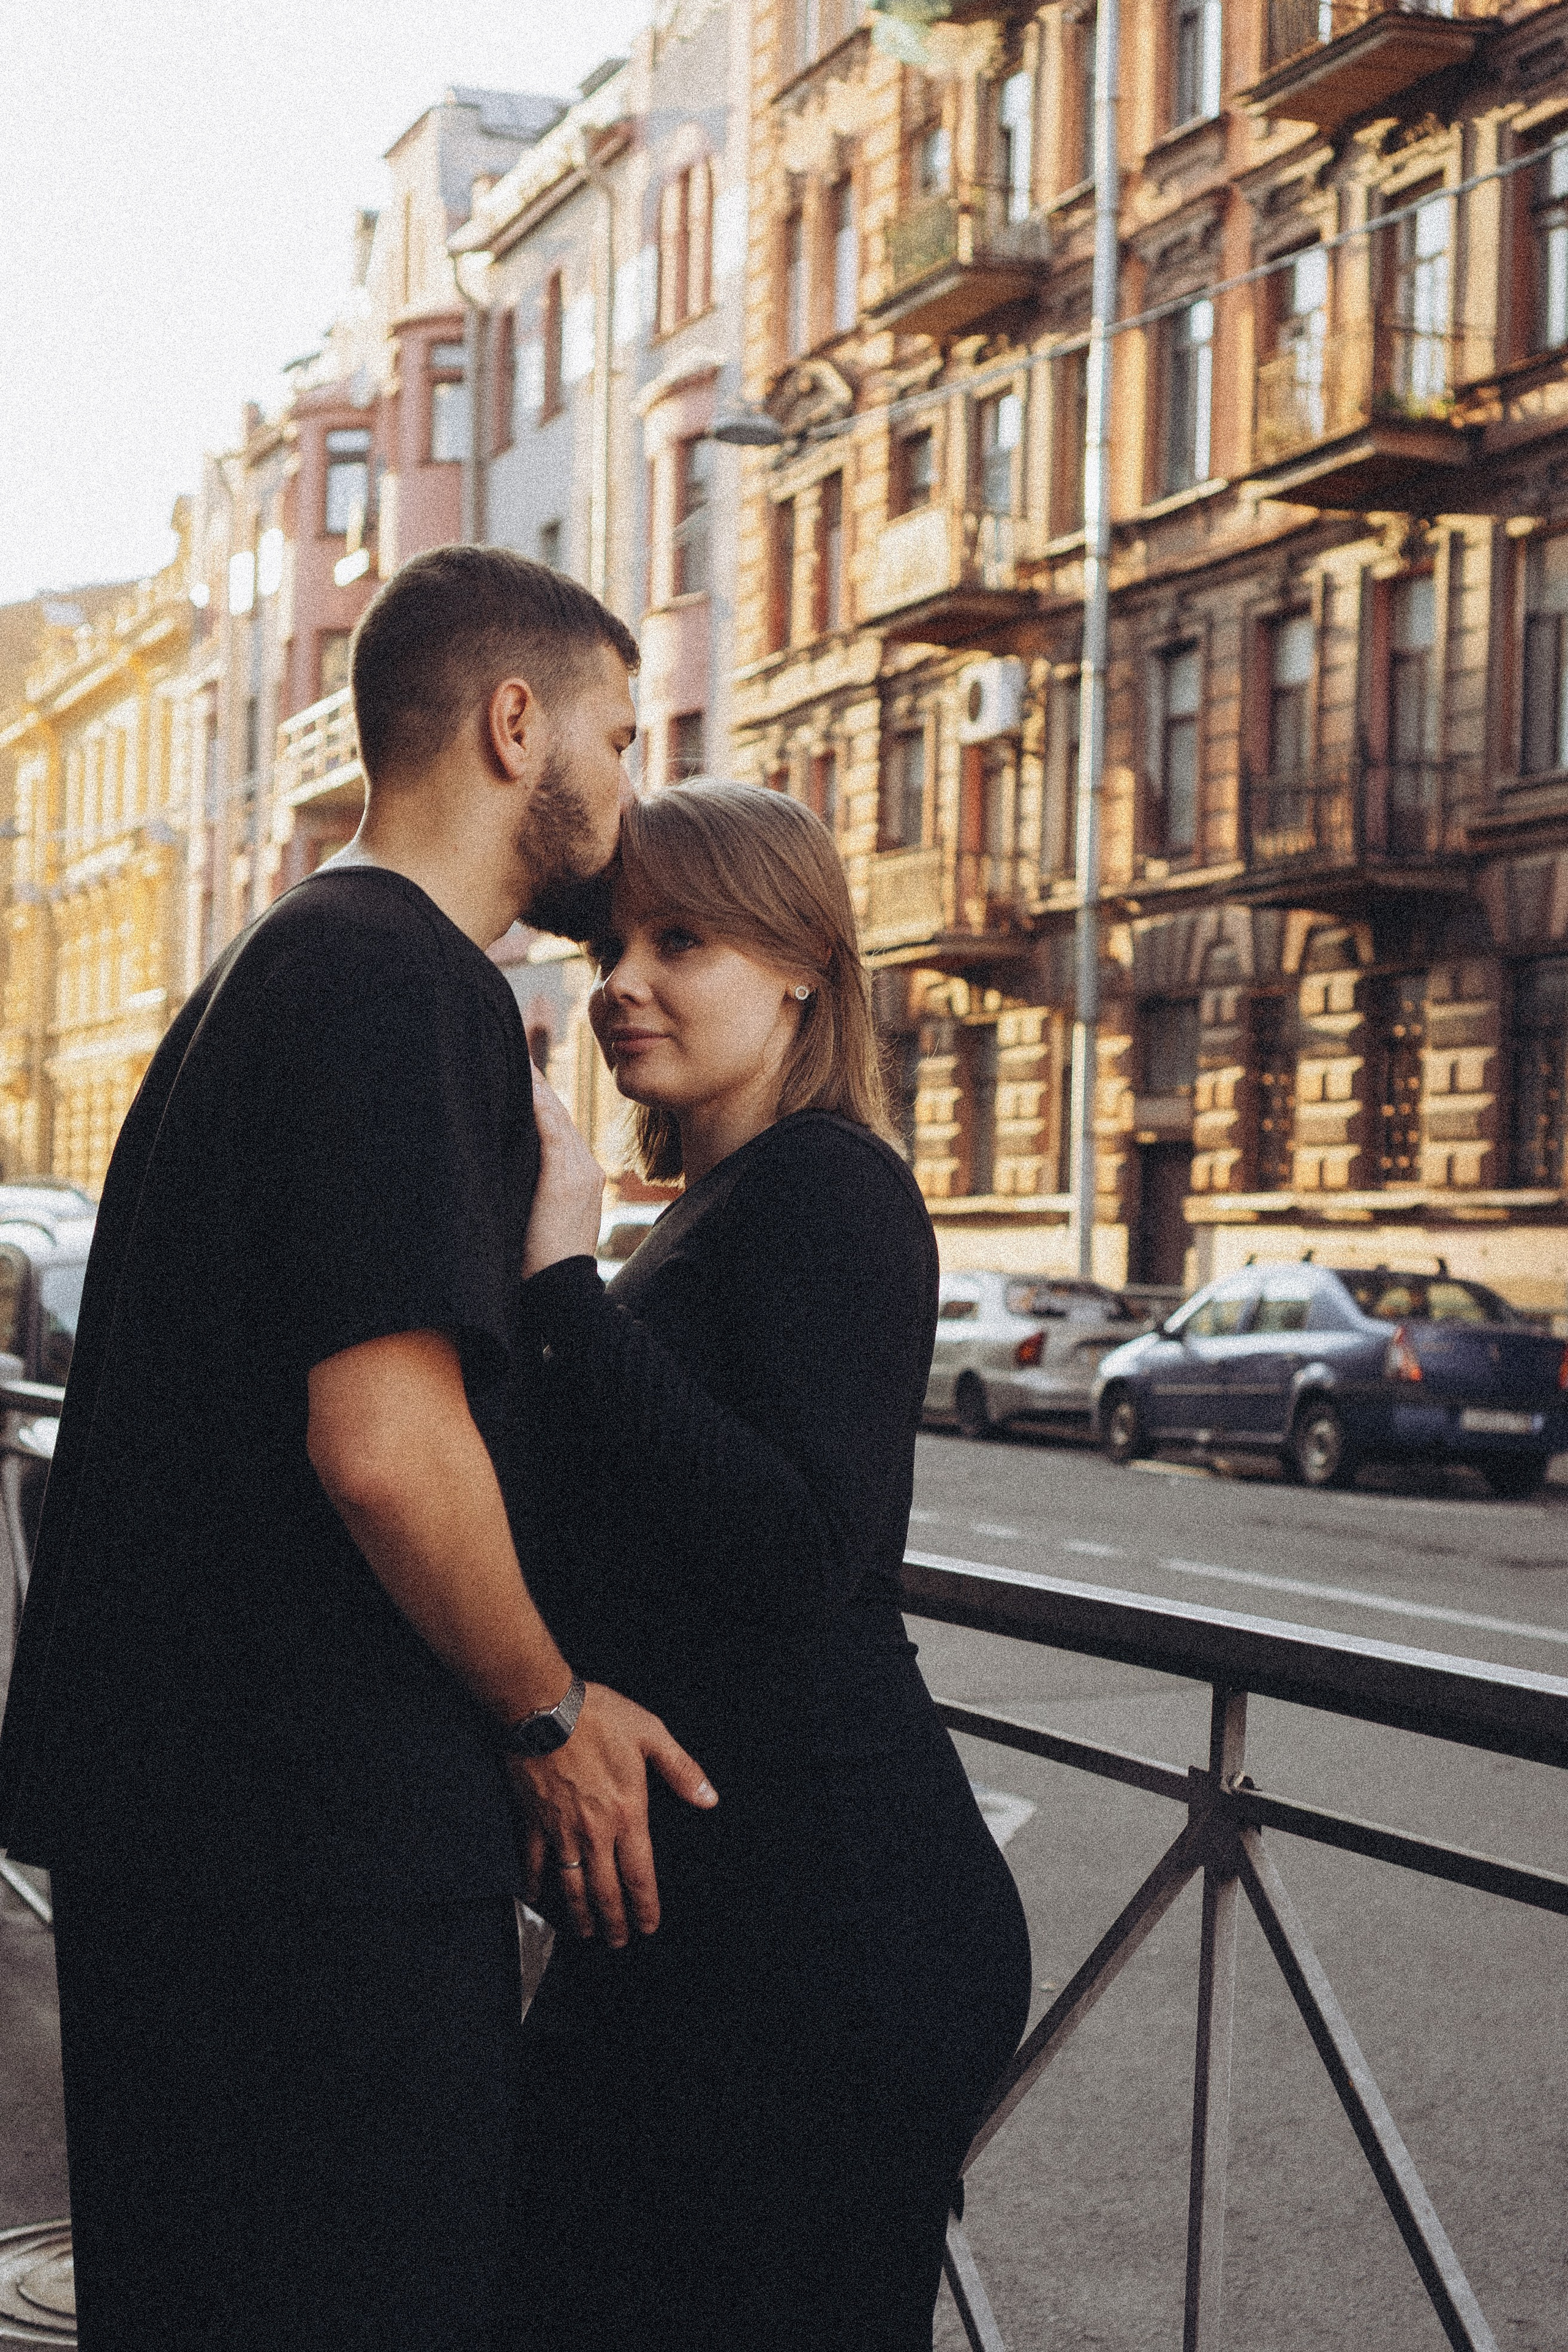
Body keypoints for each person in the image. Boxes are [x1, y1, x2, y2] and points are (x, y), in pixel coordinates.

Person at [0, 546, 715, 2352]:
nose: (628, 795)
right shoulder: (403, 986)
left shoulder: (284, 961)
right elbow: (386, 1442)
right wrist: (550, 1714)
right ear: (513, 721)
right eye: (620, 739)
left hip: (199, 1827)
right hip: (309, 1851)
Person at [502, 780, 1032, 2351]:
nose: (621, 981)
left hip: (833, 1938)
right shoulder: (710, 1209)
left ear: (799, 963)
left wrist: (556, 1284)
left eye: (680, 940)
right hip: (716, 1929)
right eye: (610, 945)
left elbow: (803, 1549)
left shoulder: (832, 1187)